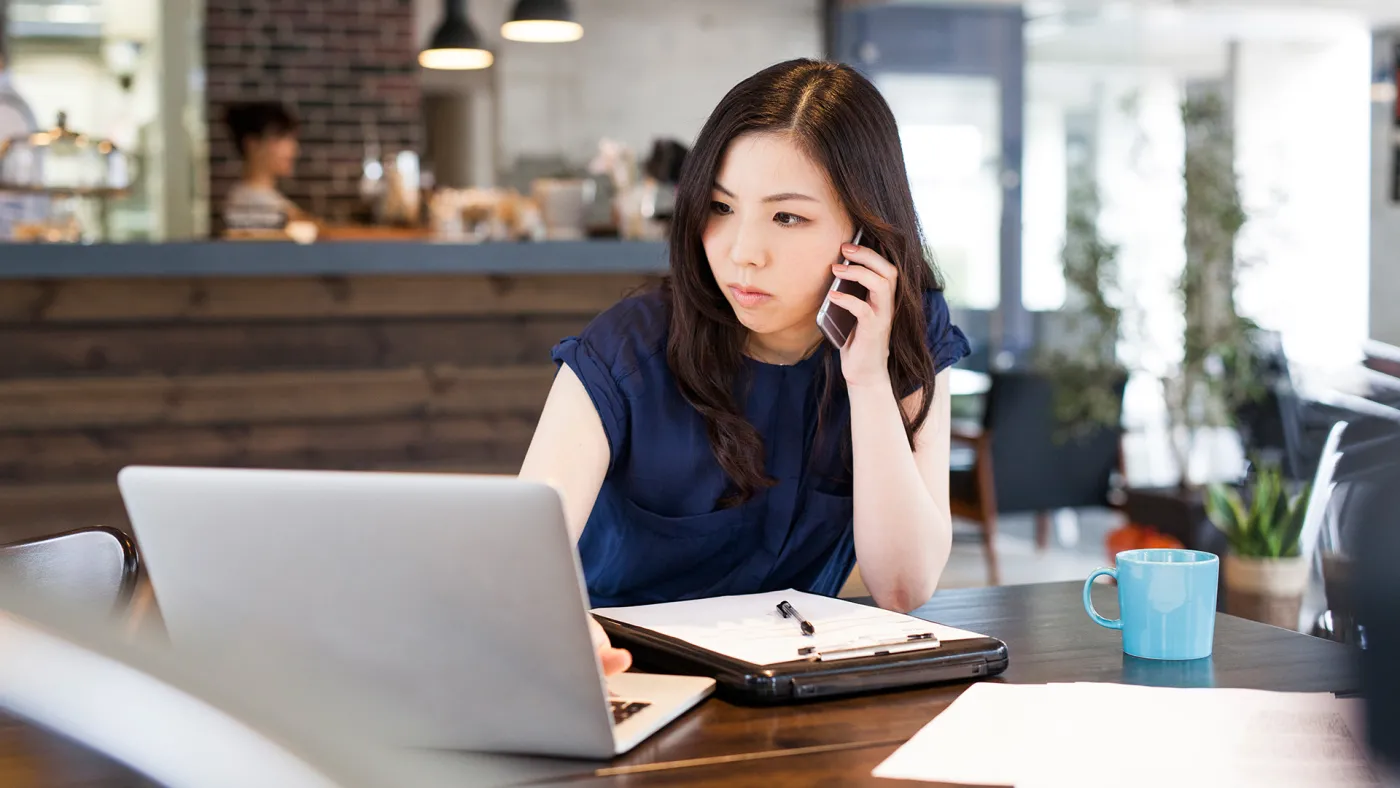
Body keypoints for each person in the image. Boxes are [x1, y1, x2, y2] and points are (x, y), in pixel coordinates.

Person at [519, 59, 971, 676]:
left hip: (792, 688)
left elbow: (903, 587)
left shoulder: (905, 331)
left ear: (864, 231)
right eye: (721, 207)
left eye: (787, 217)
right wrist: (565, 632)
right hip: (625, 677)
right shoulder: (626, 347)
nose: (742, 254)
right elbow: (517, 565)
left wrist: (865, 380)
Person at [221, 101, 311, 233]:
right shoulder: (248, 206)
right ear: (252, 144)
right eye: (282, 139)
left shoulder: (270, 200)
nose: (294, 150)